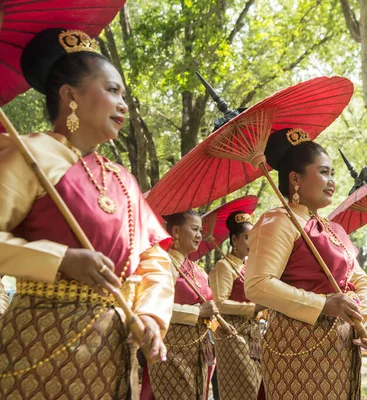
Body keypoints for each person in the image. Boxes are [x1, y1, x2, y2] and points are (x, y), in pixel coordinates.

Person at [0, 28, 173, 398]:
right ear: (70, 95)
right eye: (112, 90)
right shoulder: (29, 155)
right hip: (42, 341)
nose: (123, 104)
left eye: (123, 95)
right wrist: (60, 258)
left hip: (114, 352)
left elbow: (154, 258)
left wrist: (150, 315)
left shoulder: (123, 179)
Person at [245, 128, 367, 399]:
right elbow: (258, 285)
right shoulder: (279, 222)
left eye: (332, 173)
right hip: (296, 347)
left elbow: (360, 280)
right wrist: (323, 304)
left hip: (342, 349)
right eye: (323, 172)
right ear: (295, 178)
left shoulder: (335, 230)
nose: (332, 181)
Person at [146, 210, 219, 399]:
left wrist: (219, 327)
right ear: (176, 231)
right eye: (194, 229)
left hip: (200, 349)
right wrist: (196, 312)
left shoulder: (199, 271)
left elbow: (209, 311)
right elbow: (157, 306)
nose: (199, 235)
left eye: (201, 231)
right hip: (173, 348)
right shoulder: (162, 263)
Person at [209, 211, 264, 399]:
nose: (253, 242)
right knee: (244, 387)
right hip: (231, 335)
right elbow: (219, 303)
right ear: (234, 239)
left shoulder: (249, 267)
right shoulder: (224, 267)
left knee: (257, 386)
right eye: (248, 237)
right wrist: (253, 308)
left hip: (253, 336)